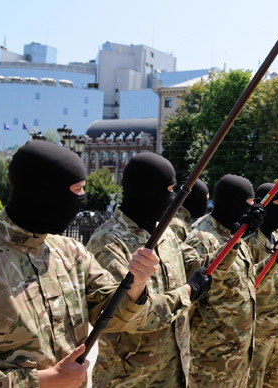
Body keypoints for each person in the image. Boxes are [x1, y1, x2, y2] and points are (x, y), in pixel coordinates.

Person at [0, 141, 162, 387]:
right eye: (77, 190)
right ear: (45, 192)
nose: (82, 200)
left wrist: (137, 282)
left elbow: (111, 316)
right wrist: (44, 380)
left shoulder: (72, 253)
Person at [86, 152, 211, 387]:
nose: (173, 197)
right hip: (130, 380)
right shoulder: (109, 241)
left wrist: (240, 237)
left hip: (173, 373)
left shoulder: (165, 232)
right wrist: (186, 294)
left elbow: (200, 266)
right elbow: (124, 315)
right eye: (170, 189)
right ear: (148, 190)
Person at [186, 174, 265, 387]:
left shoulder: (235, 233)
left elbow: (243, 284)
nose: (251, 211)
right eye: (248, 205)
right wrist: (237, 239)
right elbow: (197, 290)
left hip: (237, 353)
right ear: (231, 203)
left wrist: (275, 259)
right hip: (211, 359)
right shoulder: (201, 237)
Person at [246, 183, 278, 388]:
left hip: (277, 330)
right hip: (257, 334)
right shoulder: (250, 240)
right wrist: (273, 260)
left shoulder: (277, 236)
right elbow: (246, 283)